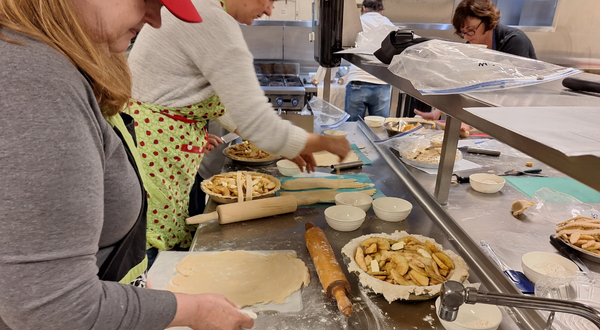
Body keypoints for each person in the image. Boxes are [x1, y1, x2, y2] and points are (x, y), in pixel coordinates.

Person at [0, 0, 254, 329]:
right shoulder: (35, 83)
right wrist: (193, 310)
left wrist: (136, 293)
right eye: (146, 1)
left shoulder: (67, 66)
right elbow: (55, 309)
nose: (155, 19)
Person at [127, 0, 351, 264]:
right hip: (155, 152)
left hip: (154, 142)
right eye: (269, 0)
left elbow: (207, 97)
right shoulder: (211, 21)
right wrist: (325, 143)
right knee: (150, 249)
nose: (269, 10)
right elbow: (258, 122)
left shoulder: (202, 9)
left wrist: (283, 144)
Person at [415, 0, 537, 124]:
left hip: (520, 116)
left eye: (471, 30)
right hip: (493, 115)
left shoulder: (514, 41)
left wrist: (471, 121)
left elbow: (510, 92)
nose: (467, 37)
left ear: (487, 20)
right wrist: (438, 112)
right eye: (463, 32)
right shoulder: (473, 45)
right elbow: (463, 81)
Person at [344, 0, 395, 122]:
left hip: (358, 80)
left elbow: (341, 46)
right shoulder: (390, 25)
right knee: (378, 130)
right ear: (382, 10)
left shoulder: (356, 23)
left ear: (364, 8)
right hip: (382, 83)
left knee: (352, 128)